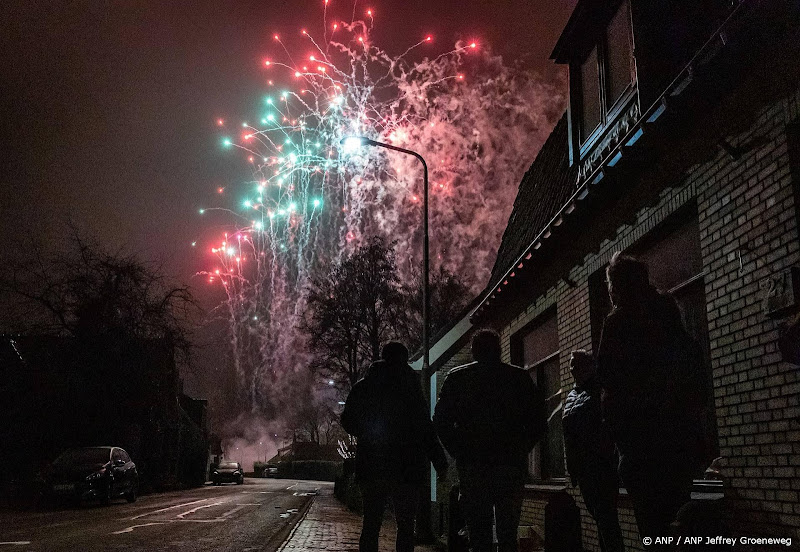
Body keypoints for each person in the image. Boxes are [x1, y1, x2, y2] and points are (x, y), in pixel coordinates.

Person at [597, 252, 705, 549]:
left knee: (651, 525)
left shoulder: (619, 322)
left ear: (615, 286)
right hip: (679, 441)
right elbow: (692, 362)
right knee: (679, 520)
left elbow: (606, 375)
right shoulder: (668, 316)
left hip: (640, 446)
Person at [433, 328, 546, 552]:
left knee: (478, 534)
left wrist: (459, 451)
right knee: (507, 532)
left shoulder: (458, 378)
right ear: (499, 349)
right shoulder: (519, 378)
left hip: (474, 467)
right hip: (509, 466)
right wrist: (521, 448)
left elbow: (441, 421)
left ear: (474, 351)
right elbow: (538, 421)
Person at [340, 341, 448, 552]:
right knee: (406, 526)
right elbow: (425, 427)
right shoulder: (411, 386)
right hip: (407, 467)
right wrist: (440, 462)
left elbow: (347, 420)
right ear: (405, 359)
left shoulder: (365, 386)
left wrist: (366, 433)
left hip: (372, 464)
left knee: (371, 524)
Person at [562, 350, 624, 552]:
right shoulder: (573, 394)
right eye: (571, 365)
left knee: (606, 518)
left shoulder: (599, 391)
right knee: (600, 518)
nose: (573, 370)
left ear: (590, 367)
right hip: (584, 468)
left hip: (600, 466)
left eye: (577, 365)